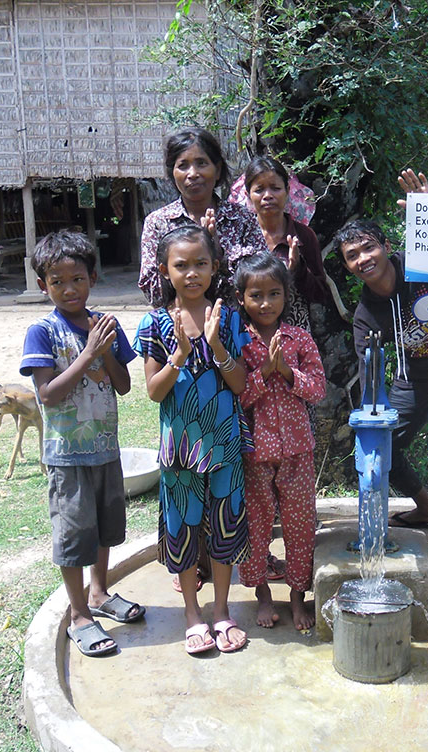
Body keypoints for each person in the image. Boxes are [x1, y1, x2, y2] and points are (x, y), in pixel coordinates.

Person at [20, 230, 143, 658]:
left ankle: (99, 592)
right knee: (74, 535)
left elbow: (125, 386)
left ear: (93, 277)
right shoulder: (42, 332)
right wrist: (88, 354)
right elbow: (47, 395)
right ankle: (78, 615)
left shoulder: (106, 325)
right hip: (66, 455)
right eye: (57, 281)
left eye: (77, 279)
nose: (68, 289)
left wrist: (105, 351)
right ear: (43, 285)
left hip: (105, 448)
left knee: (105, 528)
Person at [135, 225, 252, 655]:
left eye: (200, 264)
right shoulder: (154, 323)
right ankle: (191, 612)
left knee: (223, 527)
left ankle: (221, 610)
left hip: (223, 444)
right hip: (180, 449)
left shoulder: (230, 316)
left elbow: (239, 385)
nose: (191, 273)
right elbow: (153, 391)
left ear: (214, 266)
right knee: (182, 529)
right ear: (165, 271)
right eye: (180, 265)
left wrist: (217, 345)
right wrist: (179, 356)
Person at [335, 219, 428, 533]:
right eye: (352, 255)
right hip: (413, 383)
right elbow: (369, 371)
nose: (363, 258)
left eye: (369, 247)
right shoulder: (366, 314)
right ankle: (425, 509)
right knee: (379, 449)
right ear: (348, 266)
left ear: (387, 247)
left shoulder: (422, 263)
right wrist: (371, 414)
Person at [232, 252, 326, 631]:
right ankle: (263, 597)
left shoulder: (299, 339)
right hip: (255, 453)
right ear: (242, 298)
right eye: (256, 295)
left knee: (300, 526)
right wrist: (262, 374)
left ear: (286, 296)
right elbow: (236, 397)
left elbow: (317, 389)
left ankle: (297, 599)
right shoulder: (237, 342)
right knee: (255, 527)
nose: (265, 303)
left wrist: (286, 371)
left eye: (274, 294)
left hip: (298, 452)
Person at [138, 127, 264, 309]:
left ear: (218, 170)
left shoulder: (242, 218)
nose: (193, 173)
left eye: (201, 163)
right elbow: (152, 291)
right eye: (183, 166)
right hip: (179, 328)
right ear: (172, 174)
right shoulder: (158, 223)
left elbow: (260, 279)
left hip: (236, 330)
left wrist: (219, 255)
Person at [243, 155, 329, 331]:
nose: (268, 196)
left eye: (275, 188)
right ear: (248, 195)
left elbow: (320, 294)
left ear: (287, 191)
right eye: (259, 190)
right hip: (249, 338)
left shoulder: (303, 236)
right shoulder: (241, 234)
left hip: (294, 338)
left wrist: (298, 269)